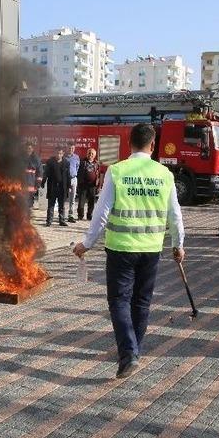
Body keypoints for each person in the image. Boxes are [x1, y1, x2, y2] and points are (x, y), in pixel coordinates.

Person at [73, 123, 185, 379]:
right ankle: (133, 351)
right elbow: (175, 215)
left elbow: (101, 214)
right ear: (153, 145)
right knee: (141, 302)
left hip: (121, 249)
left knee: (119, 301)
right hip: (151, 249)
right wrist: (178, 245)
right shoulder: (164, 174)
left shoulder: (117, 171)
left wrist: (86, 244)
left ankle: (128, 354)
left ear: (128, 144)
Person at [41, 146, 71, 227]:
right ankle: (49, 220)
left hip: (62, 187)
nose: (58, 155)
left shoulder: (66, 163)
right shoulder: (50, 162)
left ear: (63, 154)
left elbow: (68, 175)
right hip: (52, 186)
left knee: (62, 205)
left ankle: (61, 220)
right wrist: (43, 182)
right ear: (54, 153)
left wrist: (69, 186)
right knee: (51, 204)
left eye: (60, 153)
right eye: (57, 153)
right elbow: (46, 173)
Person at [77, 148, 100, 221]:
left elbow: (98, 175)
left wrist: (98, 185)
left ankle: (89, 215)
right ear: (87, 154)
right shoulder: (82, 162)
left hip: (92, 186)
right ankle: (80, 215)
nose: (90, 155)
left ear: (95, 155)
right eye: (89, 153)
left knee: (91, 202)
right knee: (81, 202)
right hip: (83, 185)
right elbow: (78, 173)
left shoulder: (96, 163)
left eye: (92, 154)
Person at [25, 144, 42, 209]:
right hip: (21, 185)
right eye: (27, 148)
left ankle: (27, 218)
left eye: (30, 148)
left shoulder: (36, 159)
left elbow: (40, 173)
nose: (28, 150)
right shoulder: (21, 158)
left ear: (32, 149)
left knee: (29, 204)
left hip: (31, 185)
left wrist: (37, 186)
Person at [66, 145, 80, 223]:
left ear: (74, 149)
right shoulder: (64, 157)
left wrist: (74, 174)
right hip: (66, 180)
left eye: (72, 148)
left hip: (74, 179)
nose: (71, 149)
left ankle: (70, 215)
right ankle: (62, 215)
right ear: (67, 148)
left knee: (72, 198)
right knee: (64, 198)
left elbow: (77, 167)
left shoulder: (76, 157)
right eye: (69, 148)